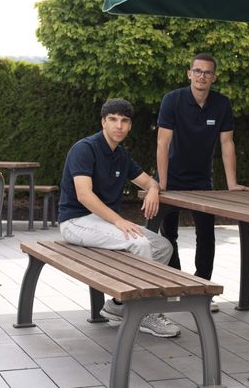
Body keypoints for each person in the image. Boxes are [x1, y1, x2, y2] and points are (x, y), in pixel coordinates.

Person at [58, 98, 179, 338]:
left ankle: (118, 305)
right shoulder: (85, 149)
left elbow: (149, 182)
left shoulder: (121, 155)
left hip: (100, 222)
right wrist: (118, 221)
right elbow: (84, 195)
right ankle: (145, 312)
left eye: (124, 121)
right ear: (103, 122)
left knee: (163, 247)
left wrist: (153, 190)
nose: (119, 125)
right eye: (113, 119)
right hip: (75, 222)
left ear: (130, 126)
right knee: (139, 243)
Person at [147, 53, 249, 312]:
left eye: (207, 72)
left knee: (206, 235)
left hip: (202, 180)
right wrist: (162, 182)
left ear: (213, 77)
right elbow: (162, 142)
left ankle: (203, 290)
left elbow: (227, 143)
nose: (202, 76)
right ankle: (178, 286)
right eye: (197, 71)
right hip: (172, 178)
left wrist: (232, 184)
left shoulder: (221, 104)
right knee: (168, 235)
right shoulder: (172, 100)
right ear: (189, 74)